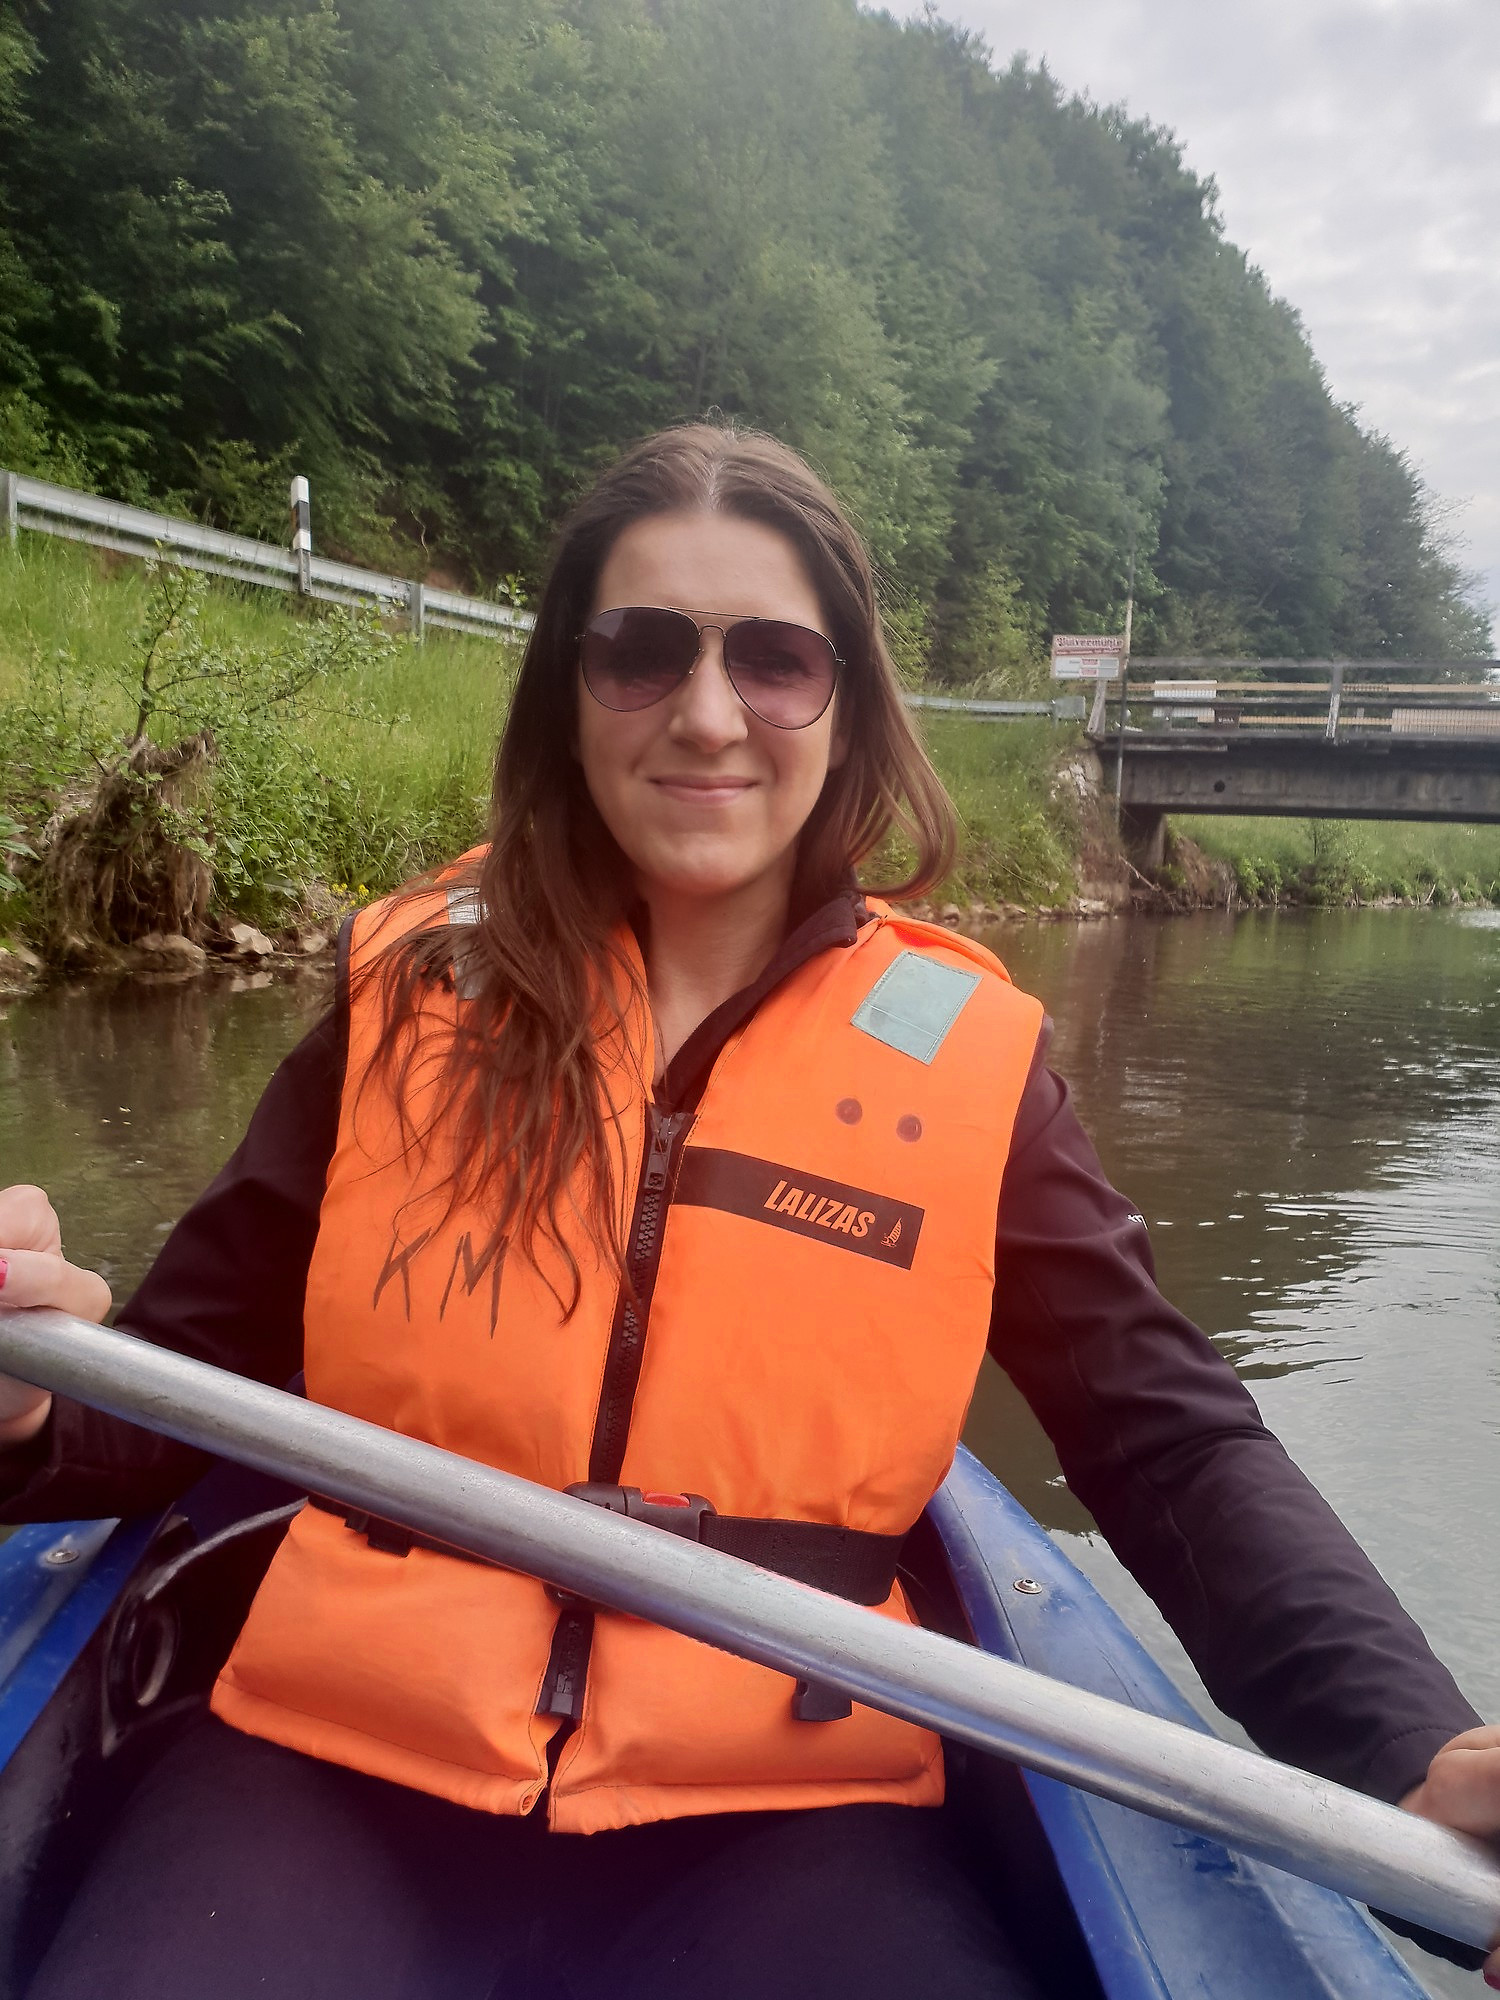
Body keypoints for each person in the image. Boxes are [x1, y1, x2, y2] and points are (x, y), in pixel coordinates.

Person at [0, 424, 1495, 1999]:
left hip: (787, 1808)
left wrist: (1406, 1747)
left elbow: (1168, 1442)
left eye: (774, 661)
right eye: (640, 651)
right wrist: (29, 1410)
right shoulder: (405, 994)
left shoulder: (975, 1068)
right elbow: (170, 1400)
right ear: (569, 693)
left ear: (843, 708)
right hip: (336, 1765)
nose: (707, 714)